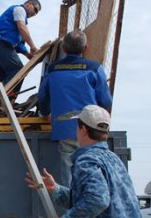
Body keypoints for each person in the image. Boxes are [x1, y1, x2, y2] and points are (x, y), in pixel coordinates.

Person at [37, 29, 112, 187]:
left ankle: (75, 209)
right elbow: (105, 100)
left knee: (70, 180)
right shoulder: (95, 68)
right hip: (93, 129)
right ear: (85, 48)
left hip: (67, 129)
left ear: (63, 48)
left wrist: (45, 113)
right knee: (96, 174)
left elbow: (43, 98)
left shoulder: (53, 69)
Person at [0, 0, 41, 95]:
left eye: (37, 13)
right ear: (28, 4)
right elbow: (21, 27)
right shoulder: (20, 10)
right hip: (0, 43)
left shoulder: (17, 20)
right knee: (19, 70)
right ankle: (8, 96)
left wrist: (28, 55)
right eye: (35, 9)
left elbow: (19, 44)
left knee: (1, 80)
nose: (35, 14)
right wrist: (32, 46)